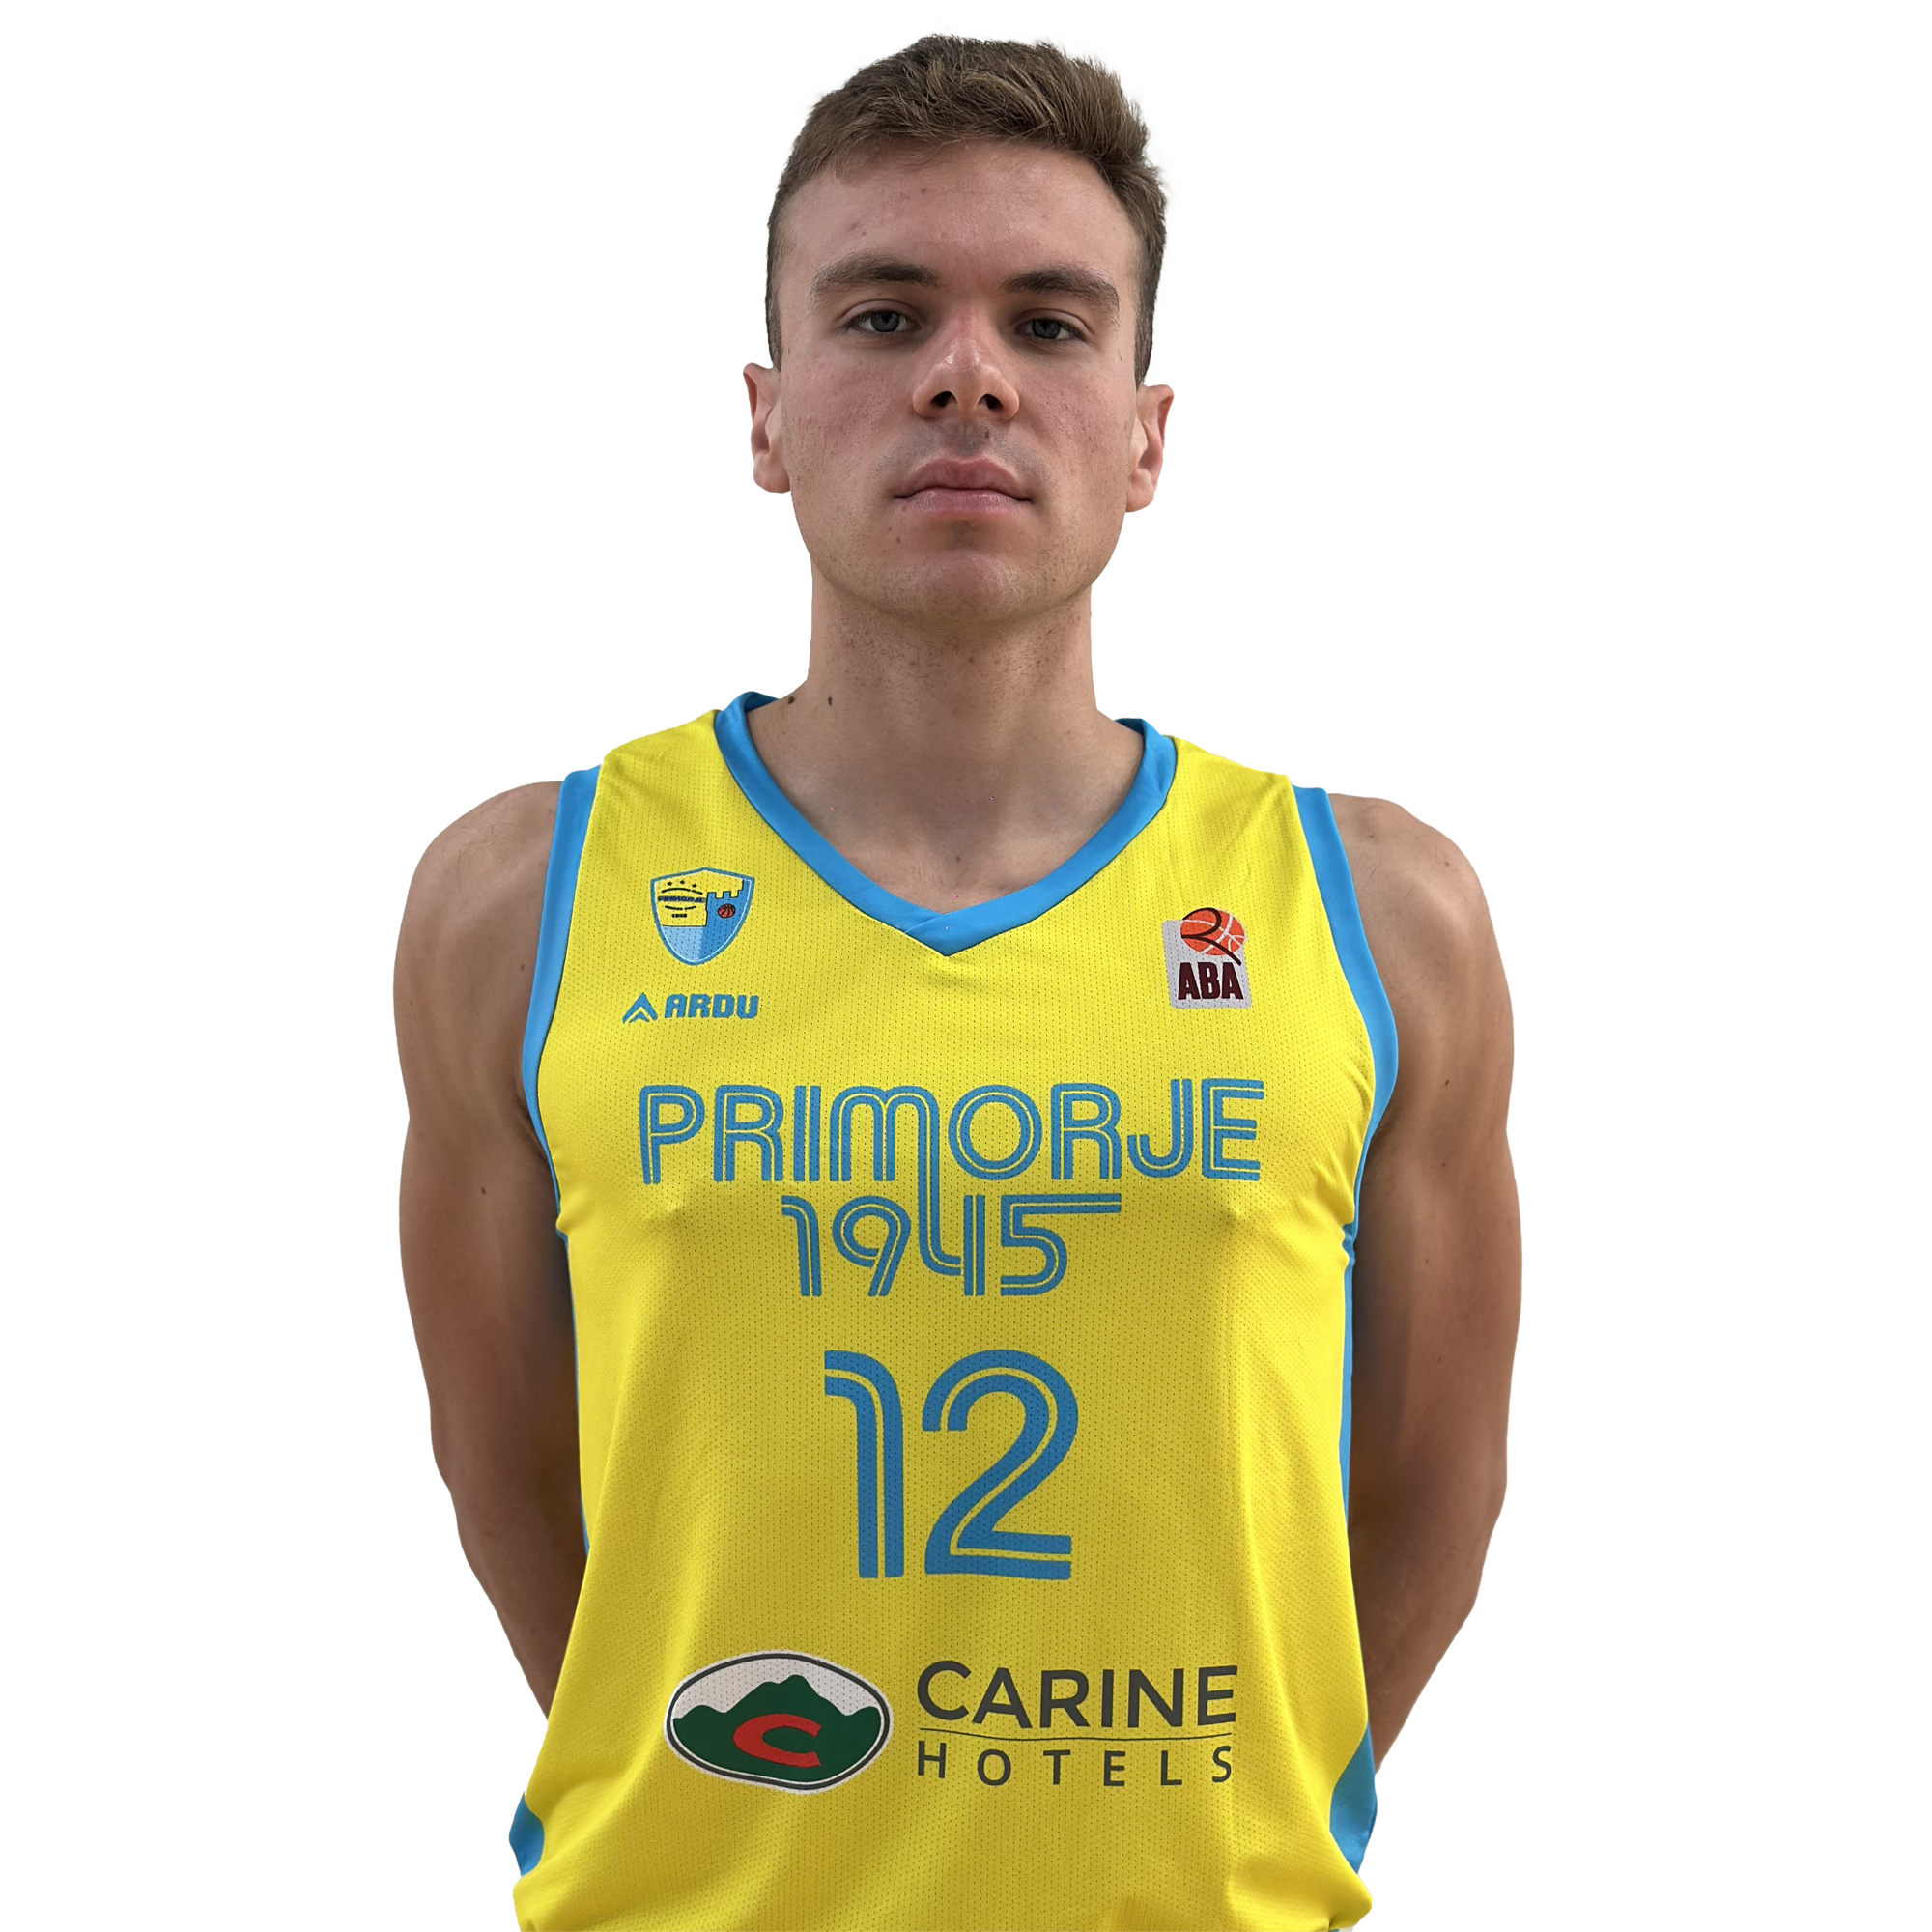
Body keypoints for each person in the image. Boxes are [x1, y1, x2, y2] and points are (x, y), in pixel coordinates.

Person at [396, 31, 1519, 1932]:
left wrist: (1240, 1818)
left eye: (1050, 323)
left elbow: (1430, 1491)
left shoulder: (1378, 915)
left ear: (1144, 433)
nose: (967, 374)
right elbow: (504, 1459)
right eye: (884, 314)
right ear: (768, 416)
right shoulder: (523, 901)